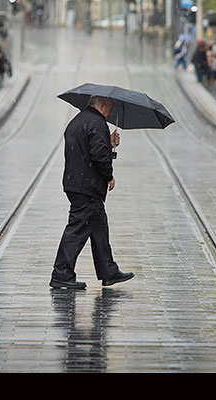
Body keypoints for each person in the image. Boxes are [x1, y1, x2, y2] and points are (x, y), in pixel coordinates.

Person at [50, 96, 134, 289]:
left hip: (76, 183)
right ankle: (61, 274)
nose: (111, 113)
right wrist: (109, 175)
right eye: (110, 108)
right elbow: (98, 155)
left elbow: (85, 148)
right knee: (77, 230)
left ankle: (108, 271)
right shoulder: (97, 123)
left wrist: (108, 142)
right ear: (102, 105)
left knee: (99, 228)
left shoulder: (77, 121)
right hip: (87, 186)